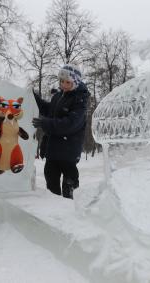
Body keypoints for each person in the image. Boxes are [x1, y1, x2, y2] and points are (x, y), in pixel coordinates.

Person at [32, 64, 90, 199]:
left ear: (75, 83)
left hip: (68, 152)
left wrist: (46, 123)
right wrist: (35, 99)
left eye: (68, 82)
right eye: (61, 81)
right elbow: (48, 110)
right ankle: (53, 212)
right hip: (52, 151)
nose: (63, 84)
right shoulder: (58, 96)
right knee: (51, 186)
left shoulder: (80, 100)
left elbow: (69, 124)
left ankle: (71, 212)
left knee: (69, 187)